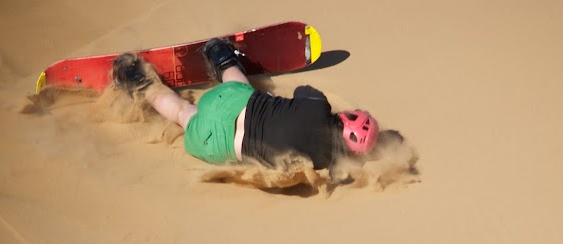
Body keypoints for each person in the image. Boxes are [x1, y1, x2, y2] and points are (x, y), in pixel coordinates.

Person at [112, 38, 380, 172]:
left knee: (241, 86)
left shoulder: (318, 106)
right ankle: (137, 82)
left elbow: (302, 91)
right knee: (182, 112)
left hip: (231, 103)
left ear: (346, 118)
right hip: (218, 145)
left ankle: (220, 56)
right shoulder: (323, 164)